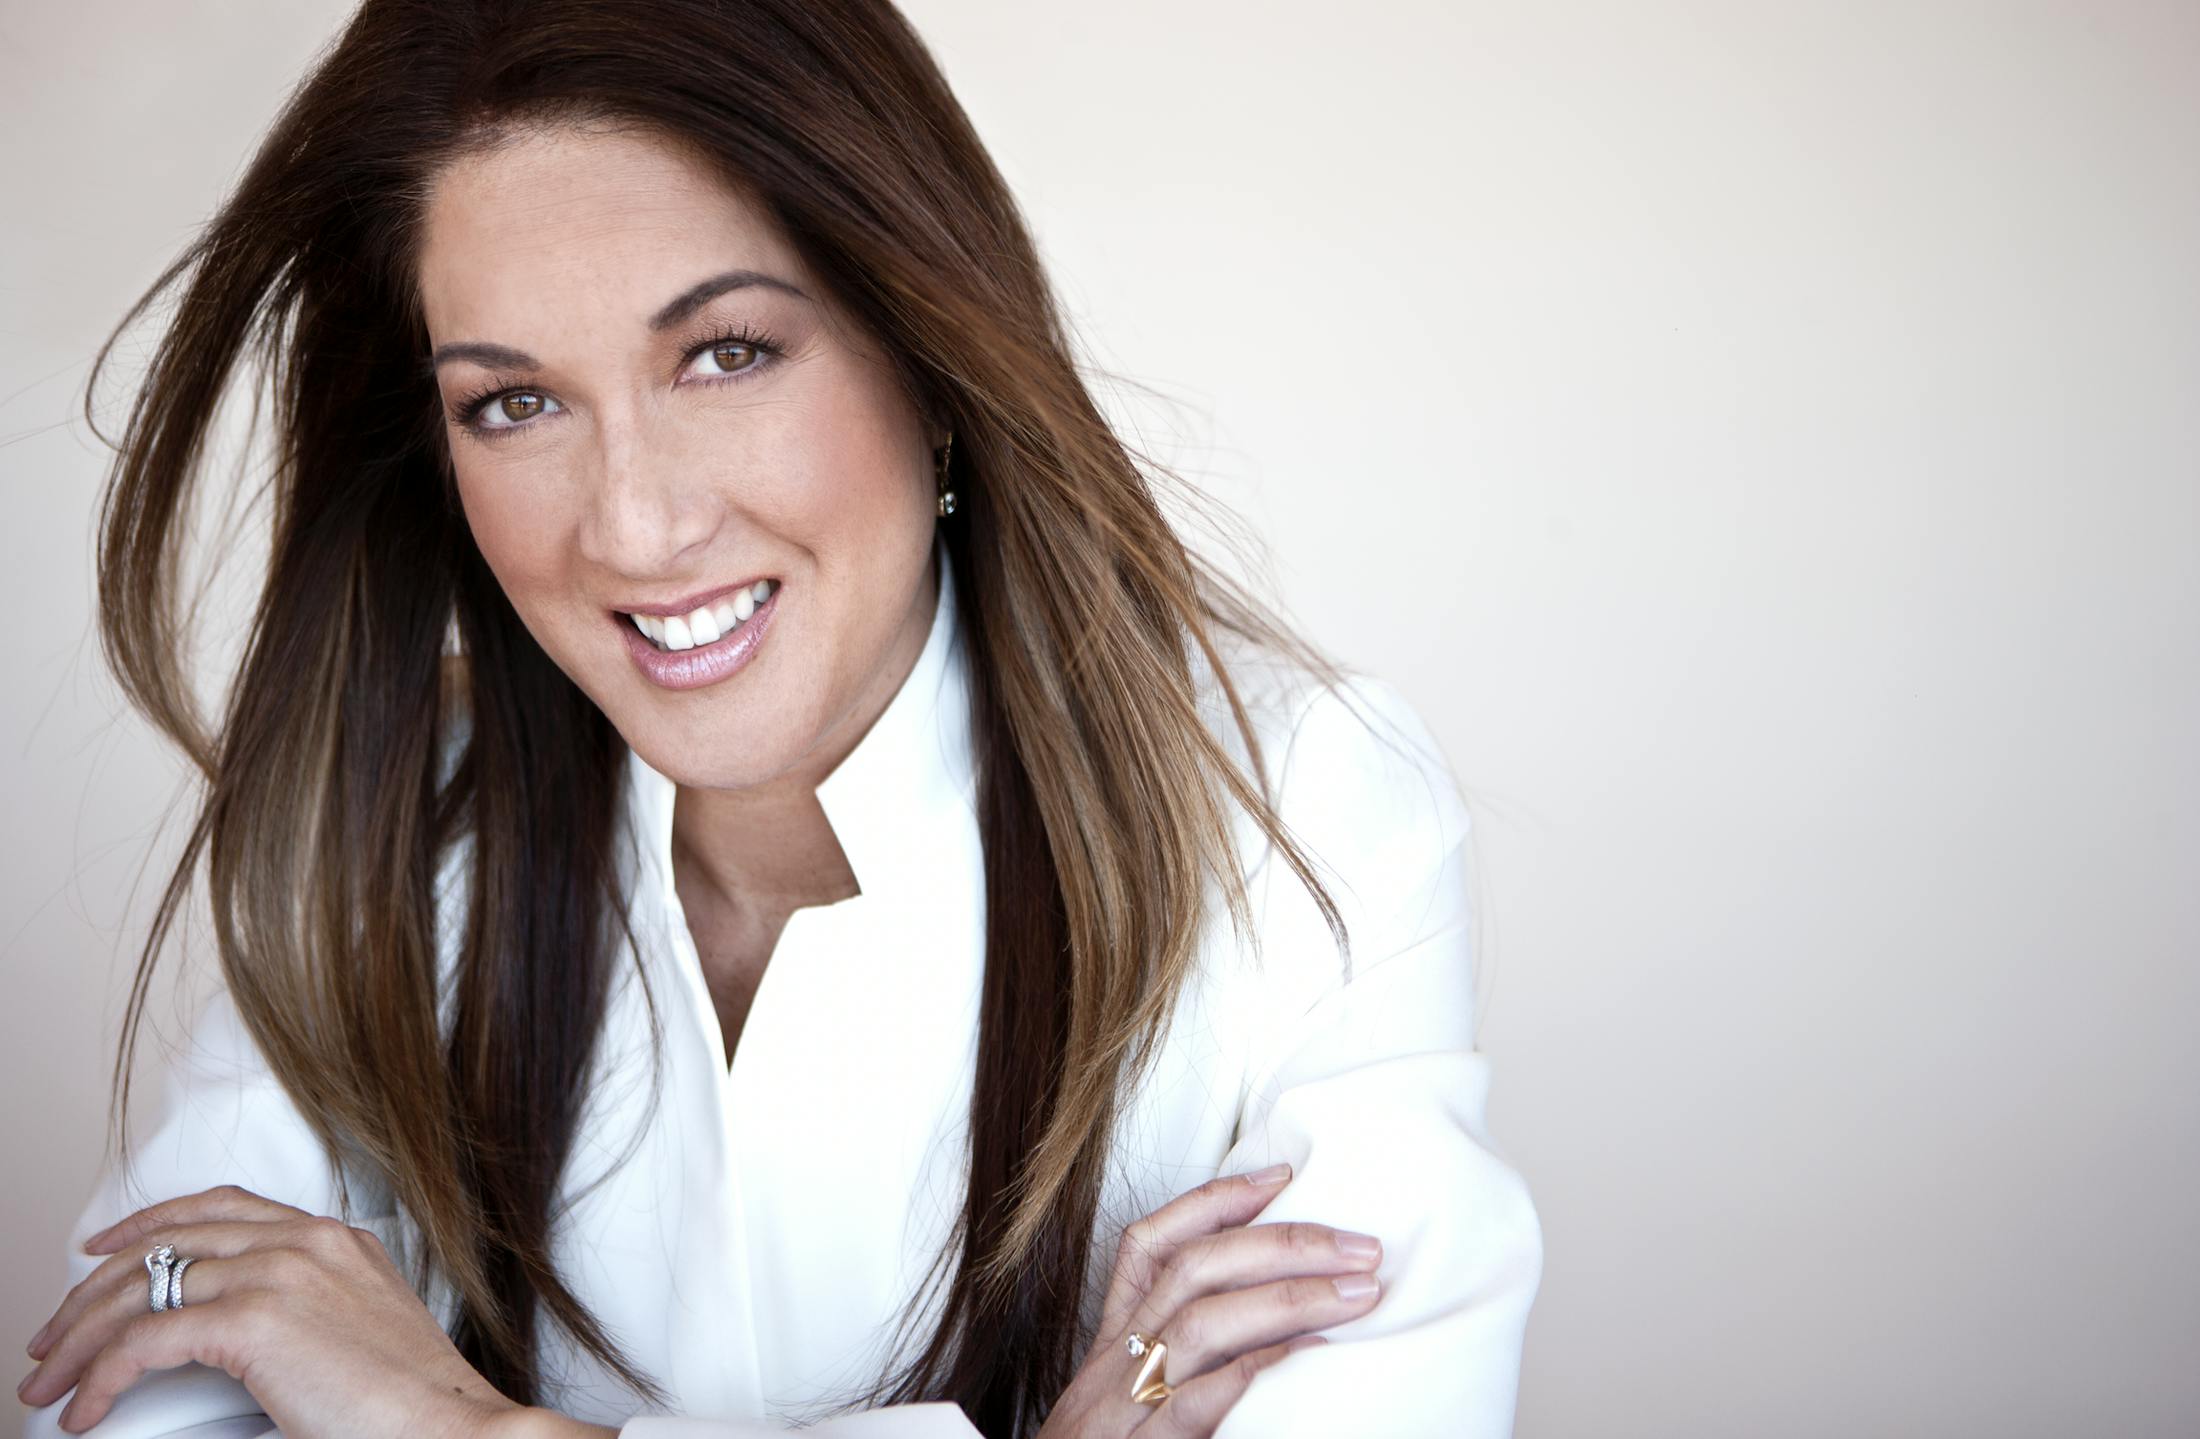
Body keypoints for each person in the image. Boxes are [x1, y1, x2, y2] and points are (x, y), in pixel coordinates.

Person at [15, 1, 1543, 1435]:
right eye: (513, 403)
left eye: (727, 353)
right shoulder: (395, 835)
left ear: (932, 360)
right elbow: (132, 1385)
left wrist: (454, 1421)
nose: (633, 526)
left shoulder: (1301, 810)